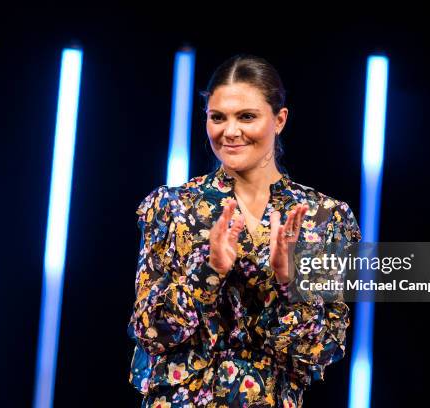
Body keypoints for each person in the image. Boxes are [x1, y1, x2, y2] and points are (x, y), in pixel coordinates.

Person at [127, 54, 362, 408]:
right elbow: (150, 333)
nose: (230, 131)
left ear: (279, 120)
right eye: (217, 117)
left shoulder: (324, 217)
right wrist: (208, 272)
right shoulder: (172, 207)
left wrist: (289, 282)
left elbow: (325, 348)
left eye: (247, 116)